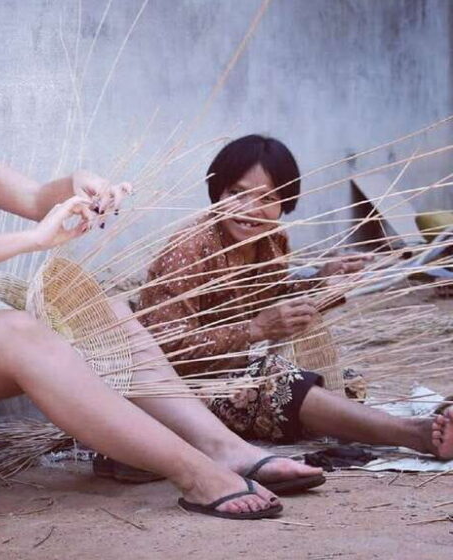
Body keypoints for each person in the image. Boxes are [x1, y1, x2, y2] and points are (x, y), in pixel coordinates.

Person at [0, 23, 323, 521]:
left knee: (105, 310)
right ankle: (197, 474)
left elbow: (33, 198)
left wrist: (80, 183)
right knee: (15, 332)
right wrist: (35, 239)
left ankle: (224, 448)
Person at [134, 134, 453, 460]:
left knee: (345, 384)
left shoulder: (272, 241)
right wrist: (254, 330)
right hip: (176, 392)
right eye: (236, 194)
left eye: (266, 198)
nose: (249, 210)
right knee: (280, 383)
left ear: (284, 202)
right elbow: (164, 349)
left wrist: (325, 281)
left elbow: (273, 299)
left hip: (234, 371)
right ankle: (416, 433)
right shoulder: (188, 250)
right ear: (218, 191)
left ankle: (415, 423)